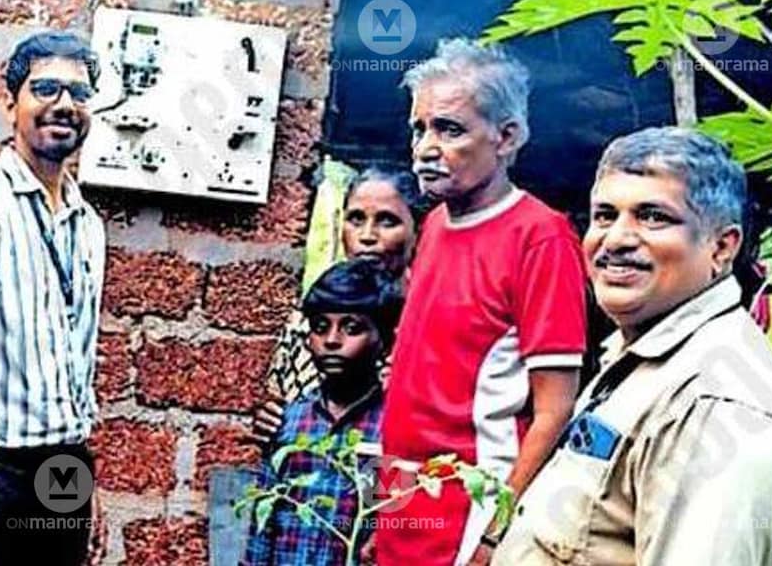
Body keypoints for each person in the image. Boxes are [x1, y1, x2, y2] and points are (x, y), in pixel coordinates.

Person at [493, 127, 772, 565]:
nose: (615, 239)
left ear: (722, 247)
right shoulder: (642, 356)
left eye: (653, 217)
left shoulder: (715, 403)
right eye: (605, 216)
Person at [377, 38, 587, 566]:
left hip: (470, 515)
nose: (426, 148)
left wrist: (495, 534)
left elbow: (555, 409)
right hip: (403, 503)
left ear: (507, 137)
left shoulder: (541, 237)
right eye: (419, 129)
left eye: (449, 129)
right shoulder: (433, 226)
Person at [0, 31, 105, 566]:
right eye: (45, 89)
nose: (64, 105)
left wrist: (86, 479)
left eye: (79, 93)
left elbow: (80, 365)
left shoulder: (88, 222)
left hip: (63, 466)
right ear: (10, 102)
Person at [244, 258, 405, 565]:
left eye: (352, 328)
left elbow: (393, 530)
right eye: (320, 327)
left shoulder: (392, 428)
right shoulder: (287, 422)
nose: (332, 340)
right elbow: (262, 528)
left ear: (385, 342)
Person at [253, 167, 419, 444]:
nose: (367, 236)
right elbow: (280, 401)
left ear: (417, 229)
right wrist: (271, 419)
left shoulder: (430, 320)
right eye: (356, 219)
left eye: (387, 221)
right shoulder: (307, 319)